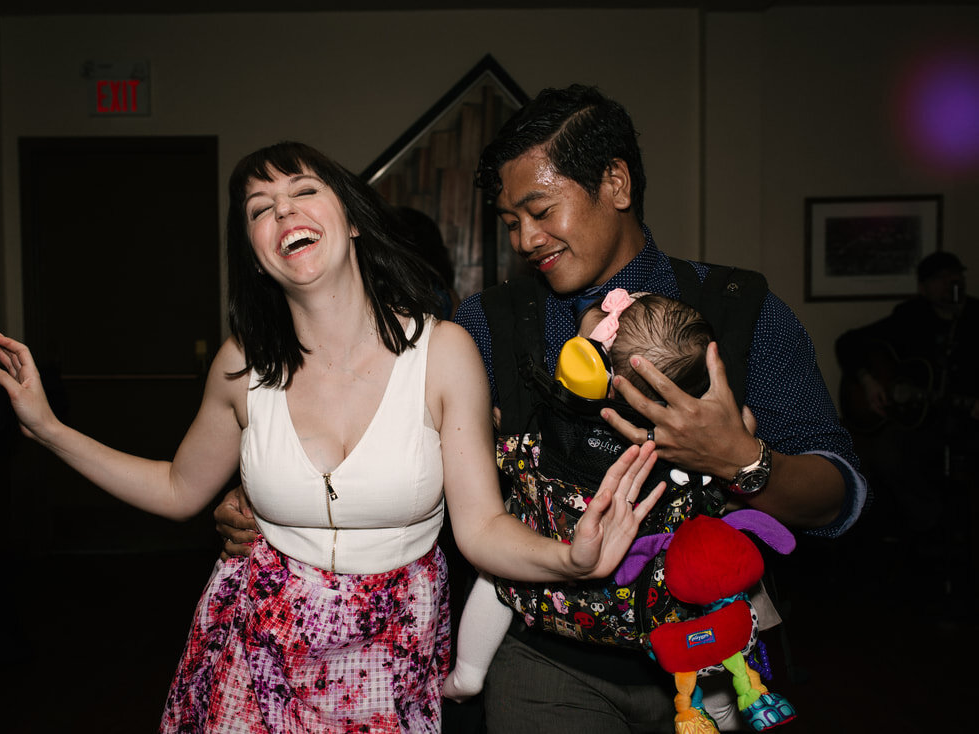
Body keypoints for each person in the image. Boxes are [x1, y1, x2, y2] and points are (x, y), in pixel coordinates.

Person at [216, 87, 867, 733]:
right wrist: (272, 498)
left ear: (616, 183)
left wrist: (743, 462)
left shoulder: (738, 309)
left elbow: (839, 496)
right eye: (508, 221)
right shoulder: (485, 326)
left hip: (715, 662)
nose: (525, 238)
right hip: (544, 661)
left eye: (540, 209)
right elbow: (388, 452)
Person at [0, 140, 668, 734]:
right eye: (259, 209)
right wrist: (48, 429)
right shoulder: (239, 363)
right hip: (251, 648)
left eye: (302, 192)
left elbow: (481, 527)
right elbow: (175, 488)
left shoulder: (444, 353)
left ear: (352, 224)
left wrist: (568, 561)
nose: (282, 212)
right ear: (255, 255)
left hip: (389, 656)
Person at [443, 289, 714, 703]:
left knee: (494, 575)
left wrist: (495, 434)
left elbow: (514, 456)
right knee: (703, 596)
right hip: (649, 600)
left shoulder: (561, 420)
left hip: (542, 577)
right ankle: (715, 698)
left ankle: (468, 671)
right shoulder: (677, 444)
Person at [835, 251, 978, 592]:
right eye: (942, 280)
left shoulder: (975, 320)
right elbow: (849, 342)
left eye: (956, 277)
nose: (951, 285)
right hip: (919, 426)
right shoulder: (911, 317)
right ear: (925, 287)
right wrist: (868, 380)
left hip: (962, 424)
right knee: (876, 451)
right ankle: (921, 535)